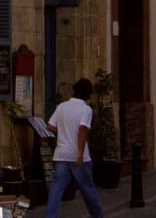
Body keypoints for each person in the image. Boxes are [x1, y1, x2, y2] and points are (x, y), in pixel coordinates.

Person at [44, 77, 106, 218]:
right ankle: (97, 216)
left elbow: (50, 126)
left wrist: (63, 131)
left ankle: (50, 216)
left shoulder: (61, 107)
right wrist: (80, 153)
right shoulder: (86, 109)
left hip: (61, 154)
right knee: (88, 189)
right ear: (88, 94)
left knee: (57, 188)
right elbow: (82, 130)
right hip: (78, 156)